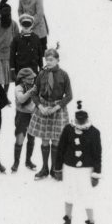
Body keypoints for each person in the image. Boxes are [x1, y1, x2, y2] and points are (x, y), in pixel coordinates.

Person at [54, 102, 101, 224]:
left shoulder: (94, 132)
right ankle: (67, 221)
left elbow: (97, 155)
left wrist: (96, 174)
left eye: (82, 120)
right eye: (78, 120)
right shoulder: (68, 129)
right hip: (69, 168)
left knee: (86, 195)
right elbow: (61, 149)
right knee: (69, 193)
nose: (80, 122)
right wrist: (58, 169)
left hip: (86, 170)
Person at [27, 49, 73, 179]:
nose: (49, 62)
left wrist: (56, 107)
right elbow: (34, 93)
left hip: (58, 110)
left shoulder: (64, 75)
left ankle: (55, 169)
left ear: (58, 60)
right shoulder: (41, 74)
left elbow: (69, 95)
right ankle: (44, 168)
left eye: (51, 59)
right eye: (47, 60)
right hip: (44, 109)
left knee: (56, 141)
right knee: (45, 140)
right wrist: (40, 106)